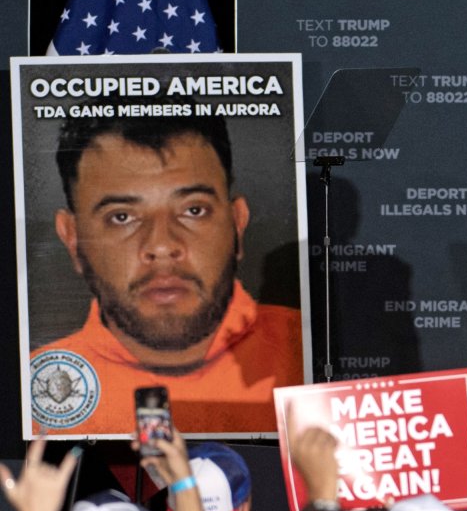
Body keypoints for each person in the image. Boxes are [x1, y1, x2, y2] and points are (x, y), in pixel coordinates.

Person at [32, 111, 304, 434]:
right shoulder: (33, 387)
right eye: (122, 217)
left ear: (237, 224)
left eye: (193, 210)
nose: (161, 246)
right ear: (73, 239)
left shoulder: (307, 351)